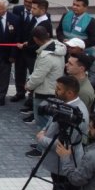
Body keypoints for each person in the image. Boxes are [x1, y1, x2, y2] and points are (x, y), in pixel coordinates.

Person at [36, 75, 90, 190]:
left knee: (66, 189)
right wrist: (45, 129)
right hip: (57, 161)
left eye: (59, 89)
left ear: (70, 92)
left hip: (65, 160)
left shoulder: (76, 115)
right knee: (58, 182)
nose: (56, 91)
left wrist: (41, 138)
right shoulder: (66, 104)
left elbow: (64, 144)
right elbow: (53, 118)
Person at [26, 26, 68, 156]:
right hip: (53, 88)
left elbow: (38, 75)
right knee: (47, 121)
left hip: (44, 91)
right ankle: (41, 144)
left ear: (36, 39)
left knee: (42, 122)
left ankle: (41, 148)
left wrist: (29, 85)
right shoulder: (58, 48)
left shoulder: (45, 56)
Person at [12, 0, 40, 104]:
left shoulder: (42, 15)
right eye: (26, 1)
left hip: (32, 51)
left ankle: (31, 96)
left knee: (33, 74)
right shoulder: (17, 10)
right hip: (19, 49)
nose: (28, 4)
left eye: (31, 2)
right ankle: (20, 92)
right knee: (19, 72)